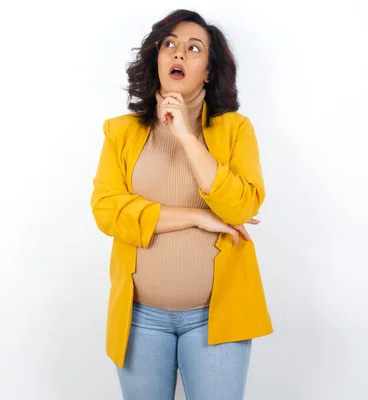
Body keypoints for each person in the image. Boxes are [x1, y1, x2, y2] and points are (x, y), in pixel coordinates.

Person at [90, 9, 273, 400]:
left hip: (216, 318)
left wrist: (188, 136)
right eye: (169, 45)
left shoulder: (236, 130)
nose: (178, 54)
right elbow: (107, 211)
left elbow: (240, 207)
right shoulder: (119, 132)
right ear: (156, 59)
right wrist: (198, 217)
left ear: (208, 70)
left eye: (194, 48)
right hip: (141, 319)